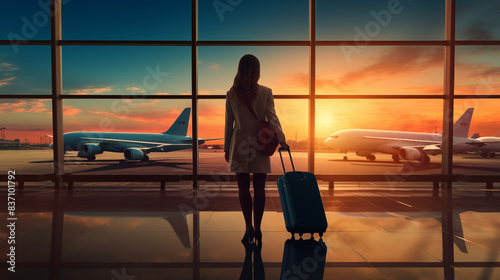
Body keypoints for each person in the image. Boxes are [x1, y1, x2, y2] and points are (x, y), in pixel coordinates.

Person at [224, 54, 289, 245]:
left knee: (243, 188)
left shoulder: (231, 94)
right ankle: (258, 229)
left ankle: (248, 228)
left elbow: (229, 124)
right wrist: (282, 140)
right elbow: (272, 118)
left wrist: (227, 147)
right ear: (257, 71)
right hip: (261, 143)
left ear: (240, 69)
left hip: (239, 144)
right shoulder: (266, 92)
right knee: (260, 187)